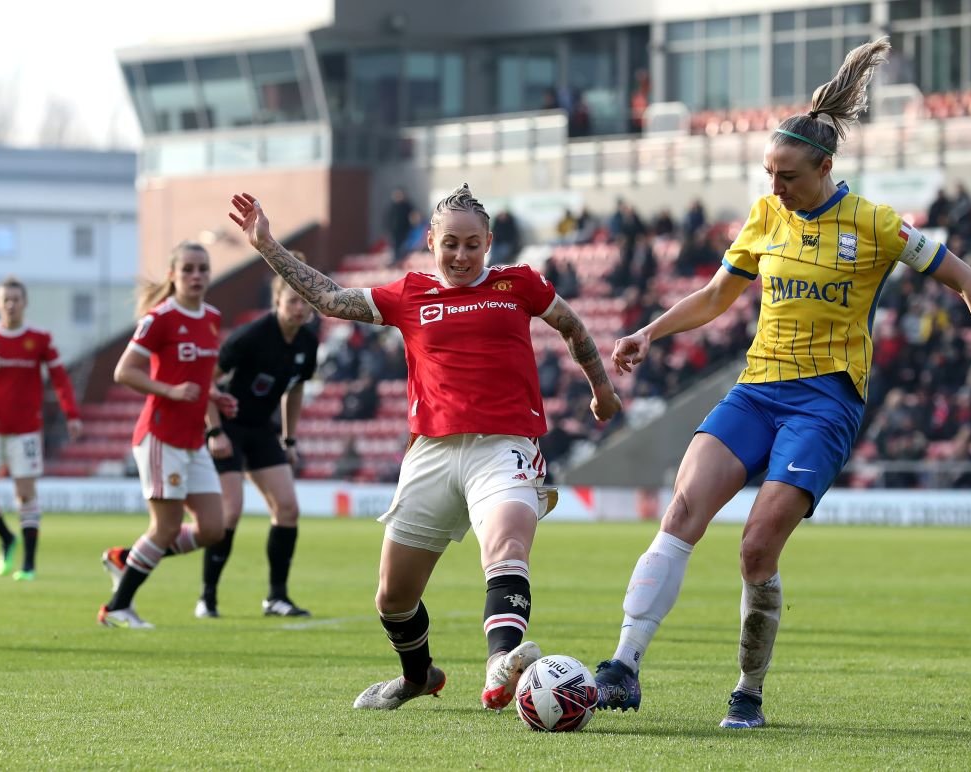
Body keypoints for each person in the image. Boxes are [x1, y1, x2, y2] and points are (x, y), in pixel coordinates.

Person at [590, 38, 971, 730]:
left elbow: (966, 280)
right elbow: (713, 297)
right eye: (768, 172)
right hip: (757, 390)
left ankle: (748, 692)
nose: (774, 187)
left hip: (824, 403)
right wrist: (650, 331)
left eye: (787, 175)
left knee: (756, 548)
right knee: (681, 514)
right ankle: (622, 665)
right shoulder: (767, 218)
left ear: (825, 167)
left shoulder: (876, 225)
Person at [228, 184, 621, 712]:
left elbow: (572, 327)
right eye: (450, 243)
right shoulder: (408, 293)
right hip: (431, 454)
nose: (461, 256)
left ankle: (500, 664)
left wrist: (602, 390)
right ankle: (417, 677)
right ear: (431, 239)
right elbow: (327, 298)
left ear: (489, 242)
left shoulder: (520, 283)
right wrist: (266, 245)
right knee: (392, 597)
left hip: (504, 446)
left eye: (472, 245)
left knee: (505, 546)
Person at [98, 242, 237, 629]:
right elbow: (124, 371)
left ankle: (126, 559)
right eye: (188, 269)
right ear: (173, 274)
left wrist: (214, 396)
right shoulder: (159, 318)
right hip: (161, 436)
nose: (196, 276)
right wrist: (170, 391)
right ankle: (117, 608)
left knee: (213, 528)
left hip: (192, 439)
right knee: (166, 528)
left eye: (203, 269)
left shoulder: (211, 316)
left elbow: (200, 376)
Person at [198, 267, 319, 619]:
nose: (300, 308)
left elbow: (294, 390)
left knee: (288, 508)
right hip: (229, 427)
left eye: (305, 301)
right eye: (292, 300)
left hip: (262, 431)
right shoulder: (251, 336)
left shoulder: (308, 343)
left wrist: (290, 438)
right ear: (277, 301)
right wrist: (214, 430)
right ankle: (207, 597)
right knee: (229, 513)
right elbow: (208, 381)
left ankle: (276, 598)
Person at [0, 276, 83, 581]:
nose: (11, 304)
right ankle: (7, 538)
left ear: (25, 303)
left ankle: (28, 564)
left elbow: (61, 378)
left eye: (16, 299)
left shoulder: (39, 339)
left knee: (25, 494)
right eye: (5, 300)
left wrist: (72, 415)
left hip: (25, 430)